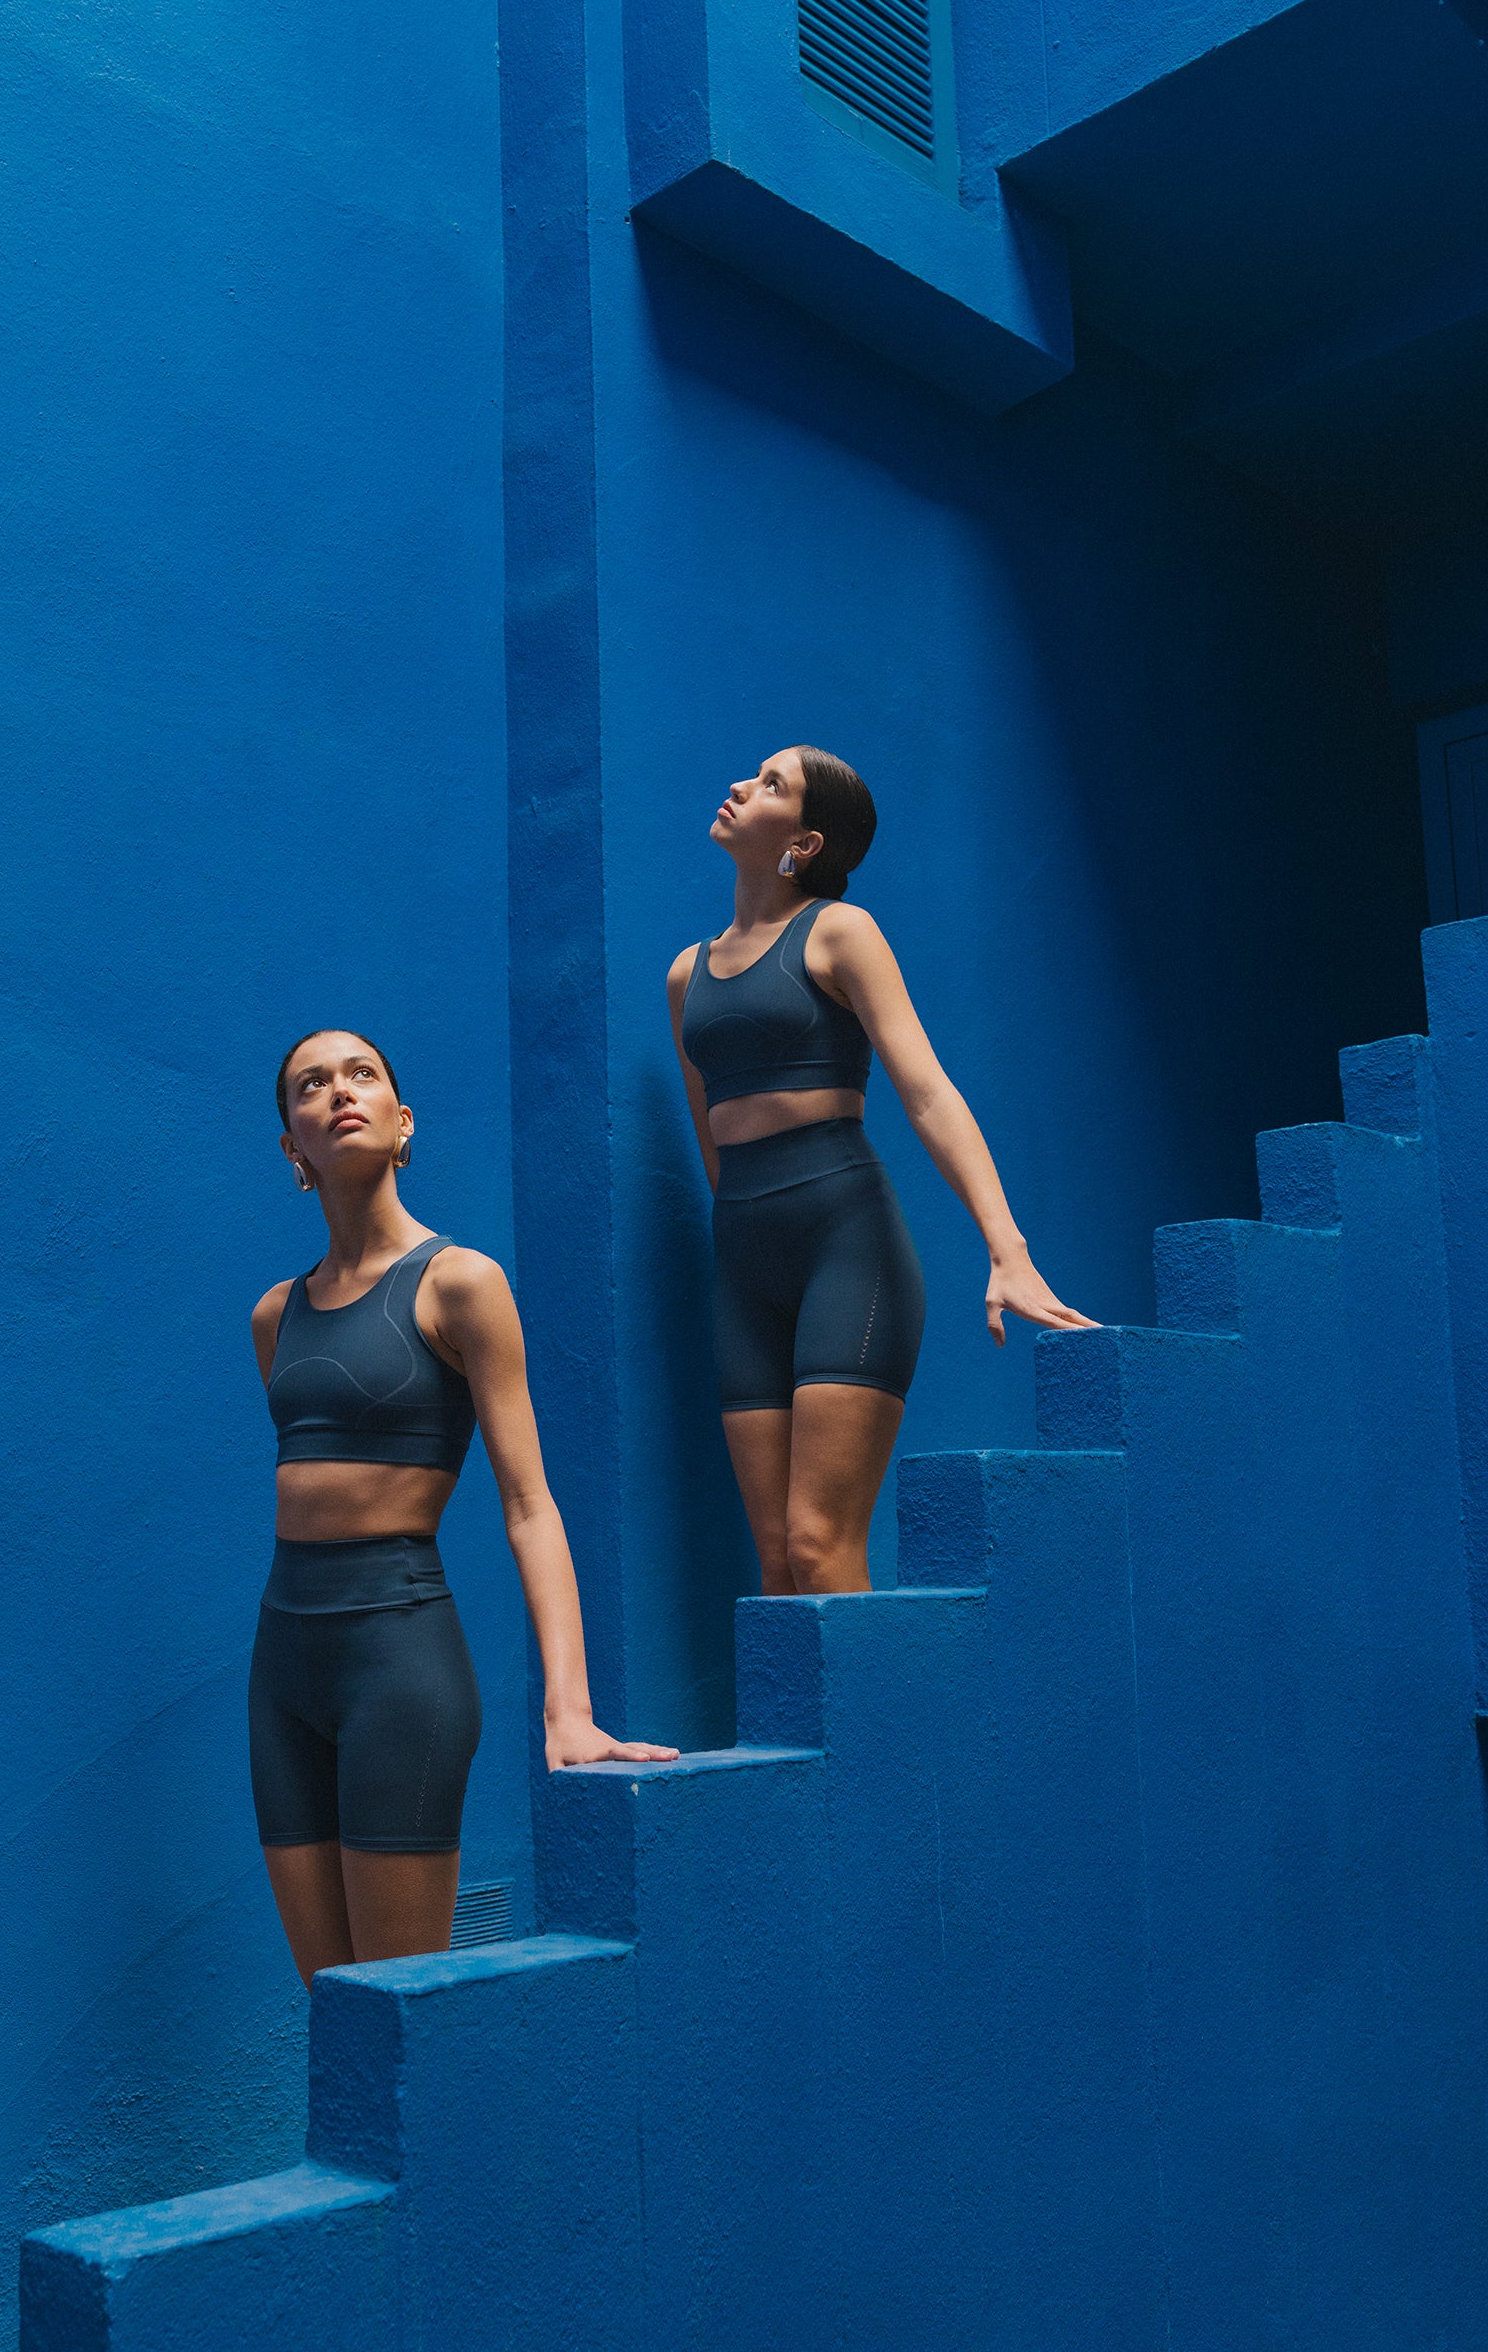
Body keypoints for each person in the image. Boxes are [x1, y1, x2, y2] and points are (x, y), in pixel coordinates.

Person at [250, 1029, 674, 1986]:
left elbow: (530, 1504)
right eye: (311, 1085)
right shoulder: (274, 1316)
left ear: (403, 1125)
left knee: (399, 2016)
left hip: (399, 1659)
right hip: (281, 1666)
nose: (338, 1091)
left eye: (362, 1074)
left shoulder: (461, 1283)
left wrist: (569, 1708)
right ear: (293, 1145)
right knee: (329, 2009)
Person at [668, 747, 1095, 1598]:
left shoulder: (838, 932)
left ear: (804, 840)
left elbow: (928, 1093)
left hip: (847, 1247)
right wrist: (751, 1249)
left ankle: (878, 1739)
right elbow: (714, 1142)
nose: (740, 786)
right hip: (746, 1263)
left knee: (820, 1542)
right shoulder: (686, 975)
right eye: (754, 774)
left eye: (771, 785)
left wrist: (1005, 1248)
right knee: (779, 1563)